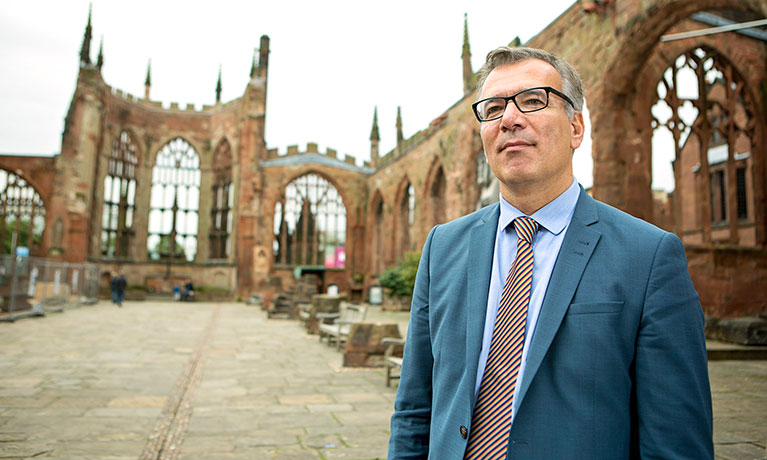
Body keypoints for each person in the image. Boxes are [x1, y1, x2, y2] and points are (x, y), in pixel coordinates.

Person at [388, 47, 712, 460]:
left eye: (533, 100)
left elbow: (675, 443)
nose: (509, 119)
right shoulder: (443, 248)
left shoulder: (648, 257)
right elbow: (415, 410)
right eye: (493, 108)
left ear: (576, 127)